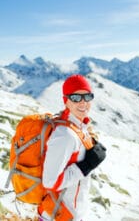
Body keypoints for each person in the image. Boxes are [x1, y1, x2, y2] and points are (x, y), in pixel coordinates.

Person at [38, 74, 106, 221]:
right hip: (58, 215)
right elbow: (50, 182)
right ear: (66, 101)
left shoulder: (79, 127)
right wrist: (86, 165)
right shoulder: (65, 136)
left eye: (87, 97)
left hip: (72, 213)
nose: (83, 102)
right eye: (76, 97)